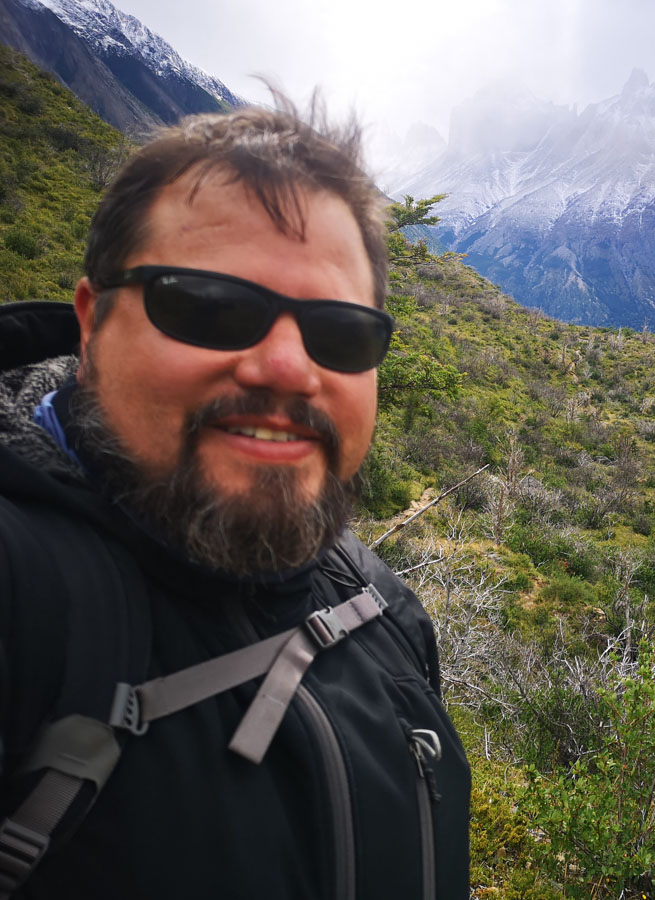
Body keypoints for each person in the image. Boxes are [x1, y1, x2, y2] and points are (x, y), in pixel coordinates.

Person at [0, 96, 470, 898]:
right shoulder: (25, 593)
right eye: (211, 308)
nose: (287, 367)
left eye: (341, 332)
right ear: (91, 323)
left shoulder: (383, 608)